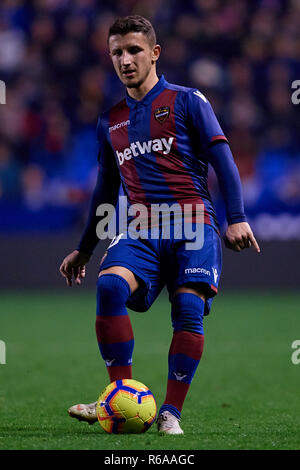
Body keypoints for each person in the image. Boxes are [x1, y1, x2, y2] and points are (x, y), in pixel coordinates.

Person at [59, 15, 260, 435]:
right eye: (117, 52)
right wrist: (85, 248)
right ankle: (117, 400)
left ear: (154, 53)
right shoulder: (109, 121)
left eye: (134, 50)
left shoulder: (188, 101)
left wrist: (237, 217)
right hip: (140, 226)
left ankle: (170, 412)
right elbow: (103, 191)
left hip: (192, 222)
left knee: (188, 309)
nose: (125, 60)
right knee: (110, 286)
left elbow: (223, 160)